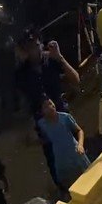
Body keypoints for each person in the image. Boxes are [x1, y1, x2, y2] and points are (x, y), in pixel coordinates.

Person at [15, 31, 80, 190]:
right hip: (43, 123)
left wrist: (61, 58)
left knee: (77, 151)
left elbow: (76, 79)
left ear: (41, 44)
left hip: (62, 115)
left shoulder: (51, 59)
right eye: (29, 48)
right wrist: (26, 130)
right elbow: (21, 103)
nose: (34, 51)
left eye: (36, 45)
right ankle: (64, 190)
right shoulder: (21, 73)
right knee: (54, 159)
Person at [37, 98, 91, 190]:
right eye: (46, 107)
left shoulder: (65, 117)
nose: (50, 107)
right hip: (60, 156)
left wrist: (80, 145)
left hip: (74, 152)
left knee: (88, 175)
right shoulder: (42, 124)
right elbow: (47, 138)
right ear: (42, 112)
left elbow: (79, 131)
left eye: (50, 103)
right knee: (70, 183)